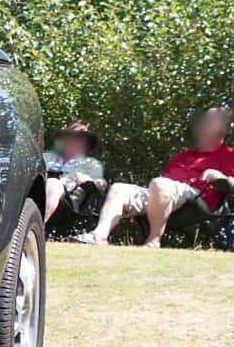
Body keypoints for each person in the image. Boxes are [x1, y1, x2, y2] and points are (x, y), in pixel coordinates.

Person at [80, 105, 234, 247]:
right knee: (119, 188)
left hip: (196, 198)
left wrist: (220, 177)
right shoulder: (183, 156)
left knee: (160, 184)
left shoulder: (229, 155)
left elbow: (231, 183)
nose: (203, 123)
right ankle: (99, 235)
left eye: (211, 120)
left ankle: (153, 241)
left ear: (225, 128)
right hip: (165, 194)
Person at [43, 120, 105, 228]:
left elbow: (100, 186)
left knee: (53, 184)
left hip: (67, 205)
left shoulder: (91, 164)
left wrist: (88, 180)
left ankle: (38, 226)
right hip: (37, 193)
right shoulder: (45, 158)